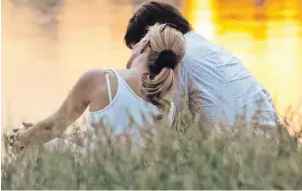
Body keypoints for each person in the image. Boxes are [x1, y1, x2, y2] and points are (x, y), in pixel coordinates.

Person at [10, 23, 186, 151]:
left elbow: (52, 126)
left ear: (145, 44)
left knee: (31, 146)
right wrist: (43, 133)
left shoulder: (102, 80)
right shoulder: (167, 105)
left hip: (91, 178)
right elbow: (112, 141)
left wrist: (20, 140)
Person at [124, 1, 281, 129]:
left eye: (139, 50)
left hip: (240, 152)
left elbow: (159, 121)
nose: (142, 61)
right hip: (273, 141)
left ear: (150, 40)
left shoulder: (176, 58)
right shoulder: (209, 48)